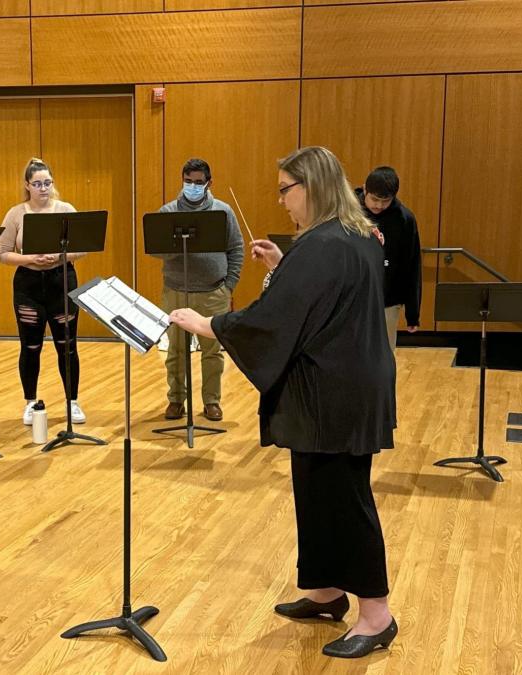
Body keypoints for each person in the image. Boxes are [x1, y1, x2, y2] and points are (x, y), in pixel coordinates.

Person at [170, 146, 398, 659]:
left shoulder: (324, 244)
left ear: (311, 186)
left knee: (344, 498)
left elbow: (279, 315)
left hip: (336, 390)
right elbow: (319, 294)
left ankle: (377, 614)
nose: (281, 200)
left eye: (284, 189)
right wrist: (283, 262)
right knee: (315, 489)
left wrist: (210, 325)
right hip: (343, 381)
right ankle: (326, 590)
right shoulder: (352, 234)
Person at [0, 158, 87, 425]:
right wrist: (30, 259)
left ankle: (73, 402)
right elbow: (3, 254)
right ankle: (30, 402)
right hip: (29, 286)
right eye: (37, 183)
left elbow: (82, 247)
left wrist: (59, 257)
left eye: (47, 183)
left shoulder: (65, 209)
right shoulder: (16, 213)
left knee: (67, 346)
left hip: (62, 282)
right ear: (27, 185)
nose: (43, 188)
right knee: (30, 346)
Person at [155, 158, 243, 422]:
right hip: (176, 290)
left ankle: (212, 401)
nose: (193, 186)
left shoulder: (223, 211)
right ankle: (176, 400)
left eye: (198, 182)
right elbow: (156, 251)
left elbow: (236, 248)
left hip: (213, 291)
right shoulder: (168, 212)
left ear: (209, 183)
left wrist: (229, 286)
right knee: (176, 351)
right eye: (188, 181)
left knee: (212, 350)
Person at [355, 166, 421, 351]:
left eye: (385, 201)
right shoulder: (348, 212)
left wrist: (413, 313)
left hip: (388, 299)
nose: (378, 205)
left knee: (383, 355)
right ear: (364, 189)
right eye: (374, 199)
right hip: (352, 298)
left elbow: (412, 265)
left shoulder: (404, 219)